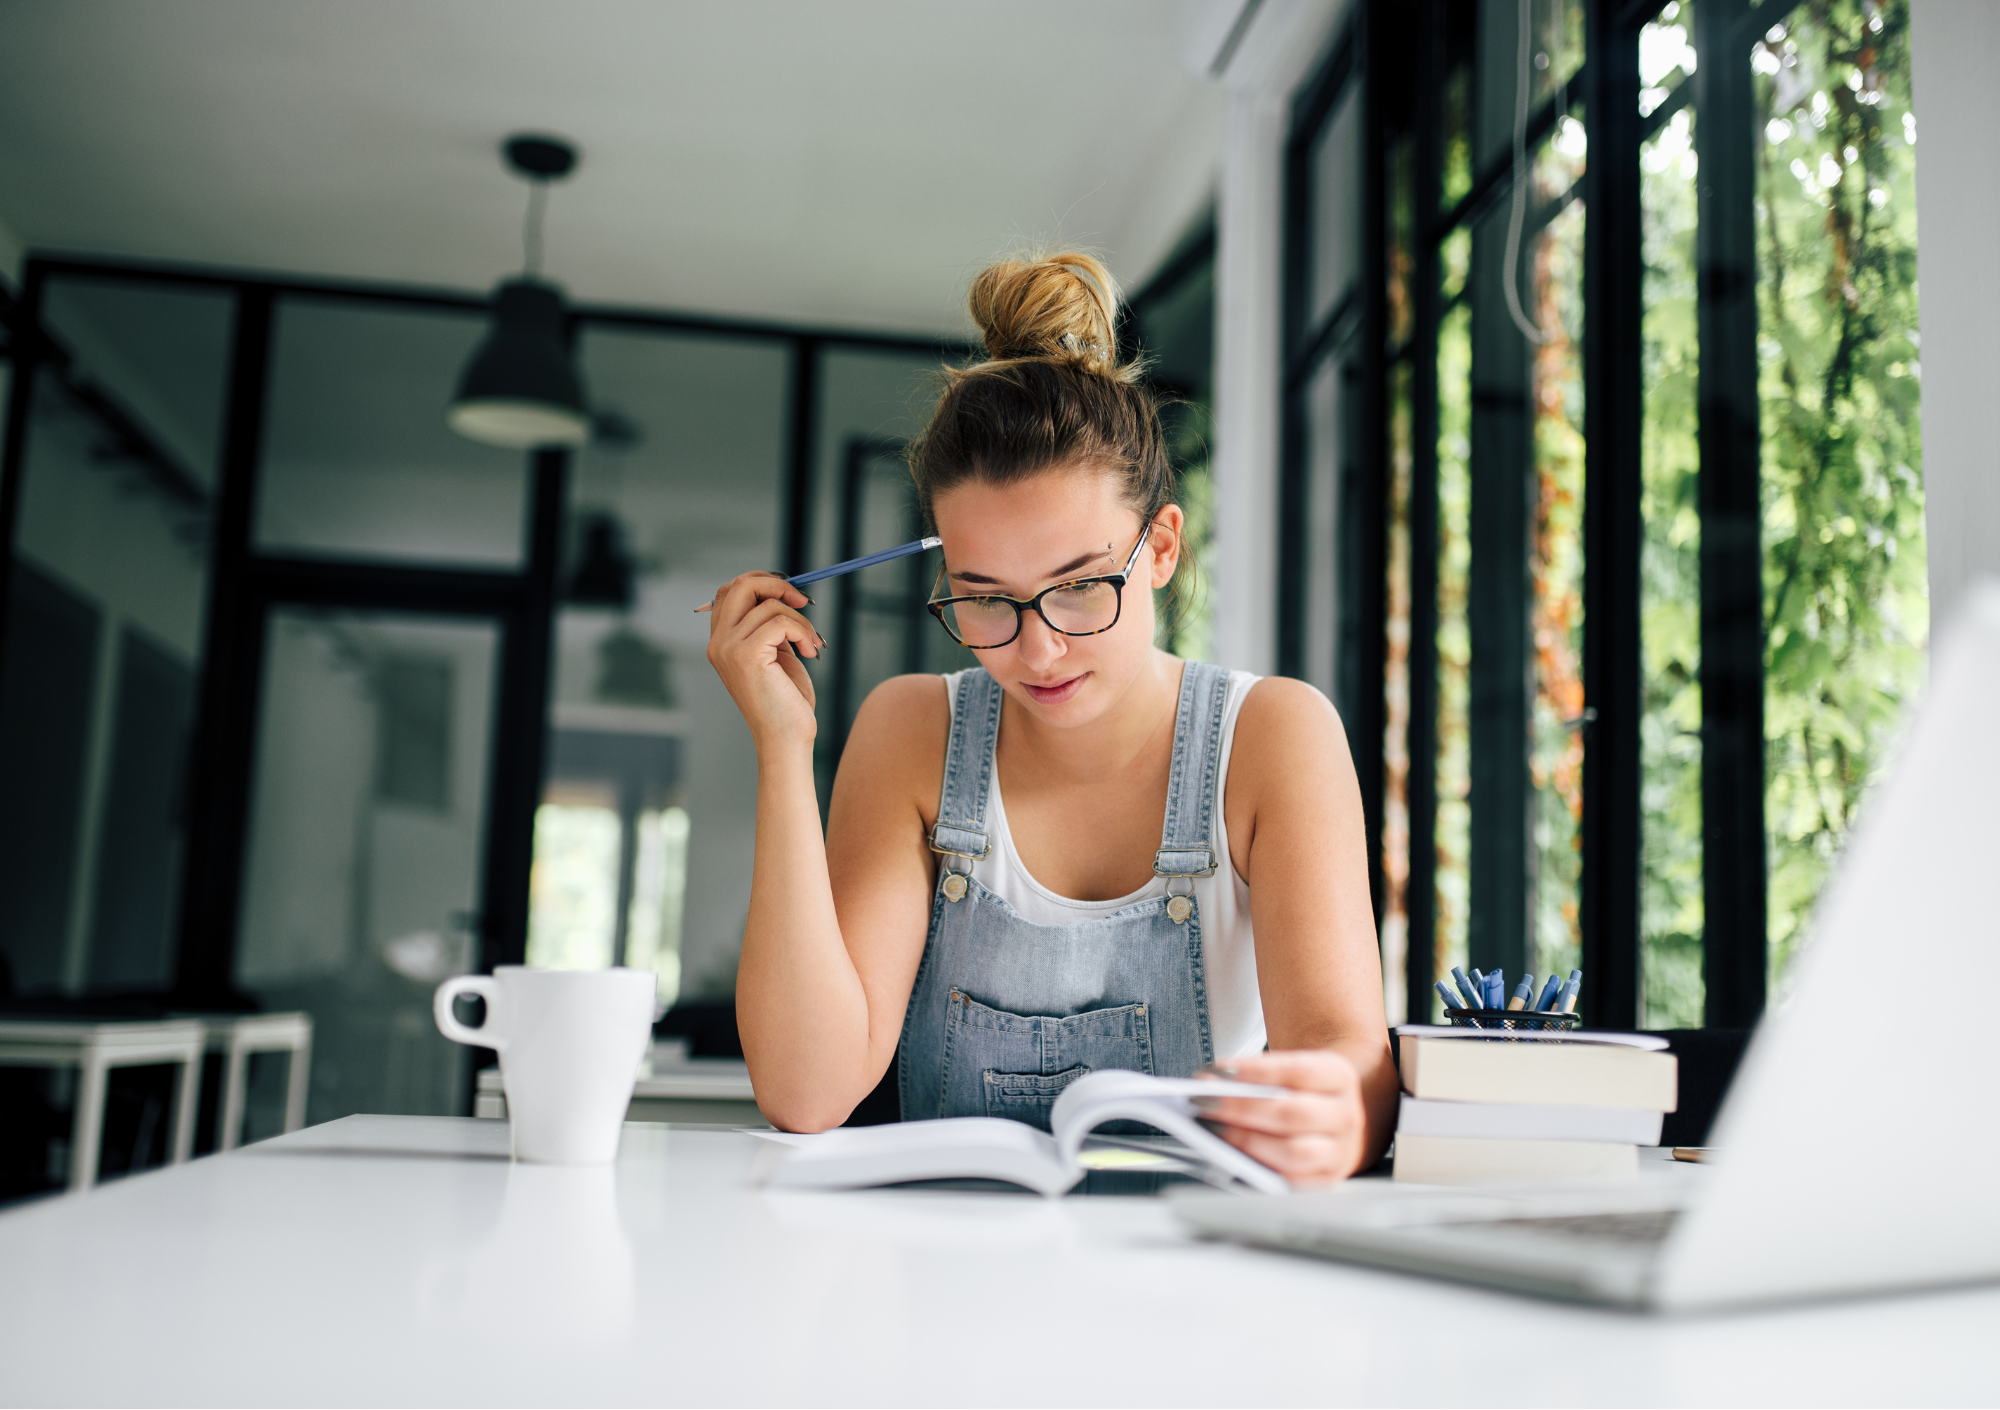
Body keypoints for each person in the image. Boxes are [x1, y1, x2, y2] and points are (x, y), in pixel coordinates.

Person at [705, 251, 1396, 1183]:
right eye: (986, 598)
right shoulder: (912, 732)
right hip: (939, 1262)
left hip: (1185, 1264)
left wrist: (1343, 1115)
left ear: (1160, 548)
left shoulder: (1273, 738)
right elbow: (806, 1092)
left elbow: (1349, 1056)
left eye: (1077, 588)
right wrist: (784, 750)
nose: (1037, 651)